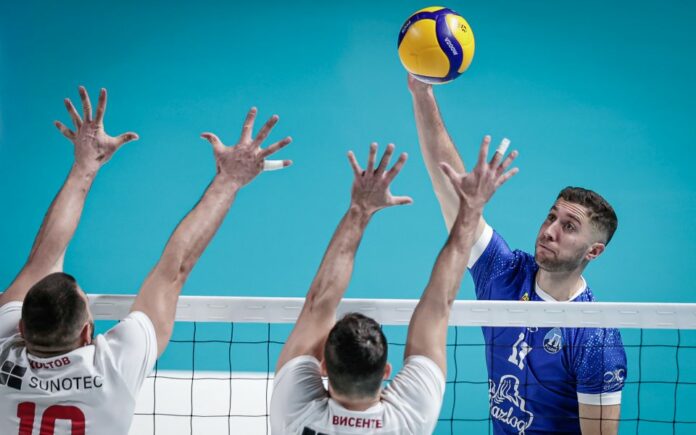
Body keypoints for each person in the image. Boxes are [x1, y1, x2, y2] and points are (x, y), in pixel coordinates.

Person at [0, 88, 292, 434]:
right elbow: (174, 268)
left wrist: (83, 168)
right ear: (87, 332)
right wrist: (229, 180)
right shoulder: (113, 368)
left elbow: (42, 261)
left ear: (22, 329)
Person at [407, 74, 627, 435]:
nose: (550, 230)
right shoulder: (504, 274)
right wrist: (422, 93)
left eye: (569, 227)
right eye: (551, 217)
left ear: (594, 251)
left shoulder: (595, 338)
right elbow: (457, 199)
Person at [271, 139, 518, 434]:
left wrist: (359, 209)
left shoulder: (293, 413)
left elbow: (318, 303)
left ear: (323, 366)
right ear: (386, 371)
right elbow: (438, 304)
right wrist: (471, 208)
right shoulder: (411, 419)